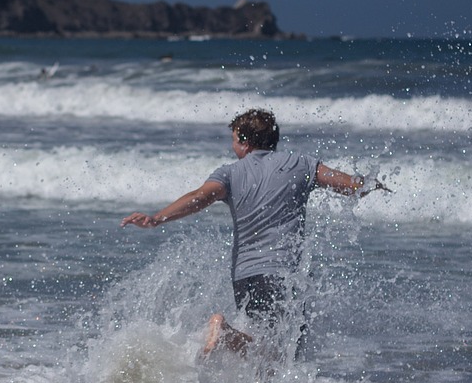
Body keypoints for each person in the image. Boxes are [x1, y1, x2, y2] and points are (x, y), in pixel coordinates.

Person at [120, 108, 387, 358]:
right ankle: (224, 333)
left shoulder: (229, 173)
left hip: (244, 277)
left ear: (245, 143)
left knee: (263, 352)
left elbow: (199, 198)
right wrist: (372, 184)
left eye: (234, 140)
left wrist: (156, 219)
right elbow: (349, 186)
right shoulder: (301, 165)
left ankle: (227, 350)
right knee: (278, 353)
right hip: (282, 275)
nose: (233, 145)